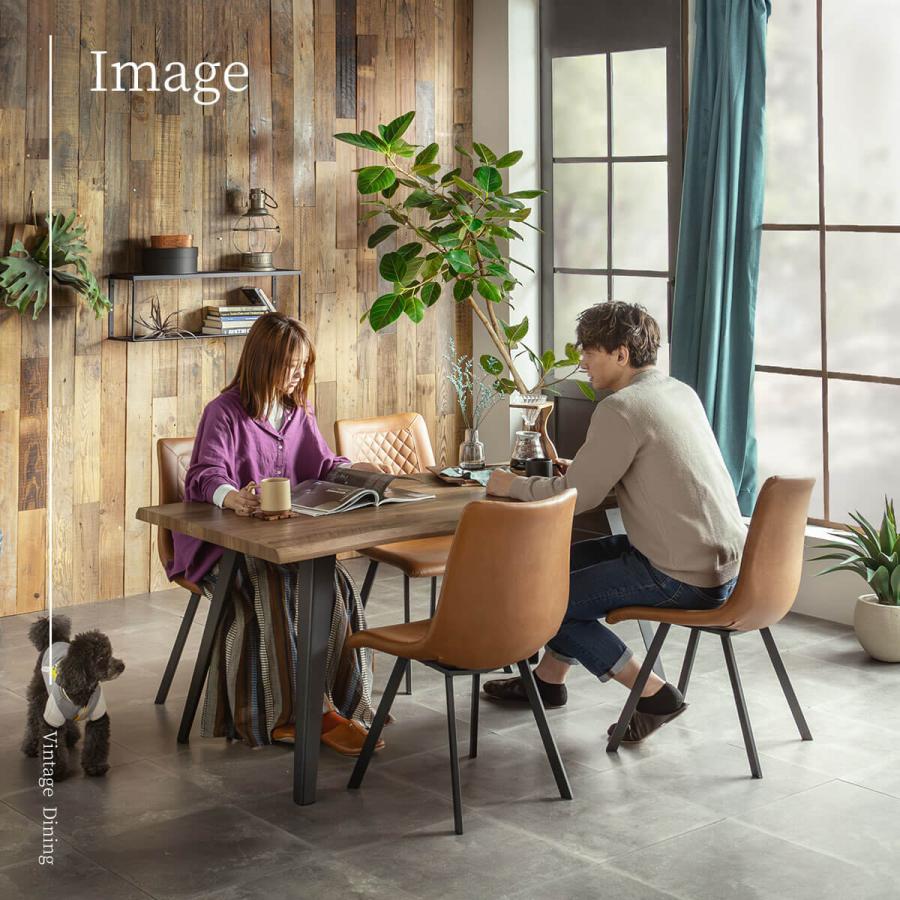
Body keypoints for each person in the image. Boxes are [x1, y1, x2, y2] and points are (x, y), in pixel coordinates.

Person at [483, 301, 746, 742]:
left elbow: (578, 499)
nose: (581, 360)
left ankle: (653, 694)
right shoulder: (679, 392)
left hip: (679, 575)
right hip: (725, 569)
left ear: (621, 354)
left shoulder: (621, 408)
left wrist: (507, 485)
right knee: (554, 570)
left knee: (546, 599)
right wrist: (585, 469)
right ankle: (548, 681)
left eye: (589, 350)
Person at [167, 312, 381, 755]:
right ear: (264, 361)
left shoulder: (297, 413)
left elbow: (323, 466)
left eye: (305, 365)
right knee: (276, 587)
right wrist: (233, 498)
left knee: (336, 585)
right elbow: (205, 475)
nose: (300, 374)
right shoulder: (223, 412)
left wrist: (360, 474)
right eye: (292, 365)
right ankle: (298, 716)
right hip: (225, 549)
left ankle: (345, 704)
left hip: (286, 545)